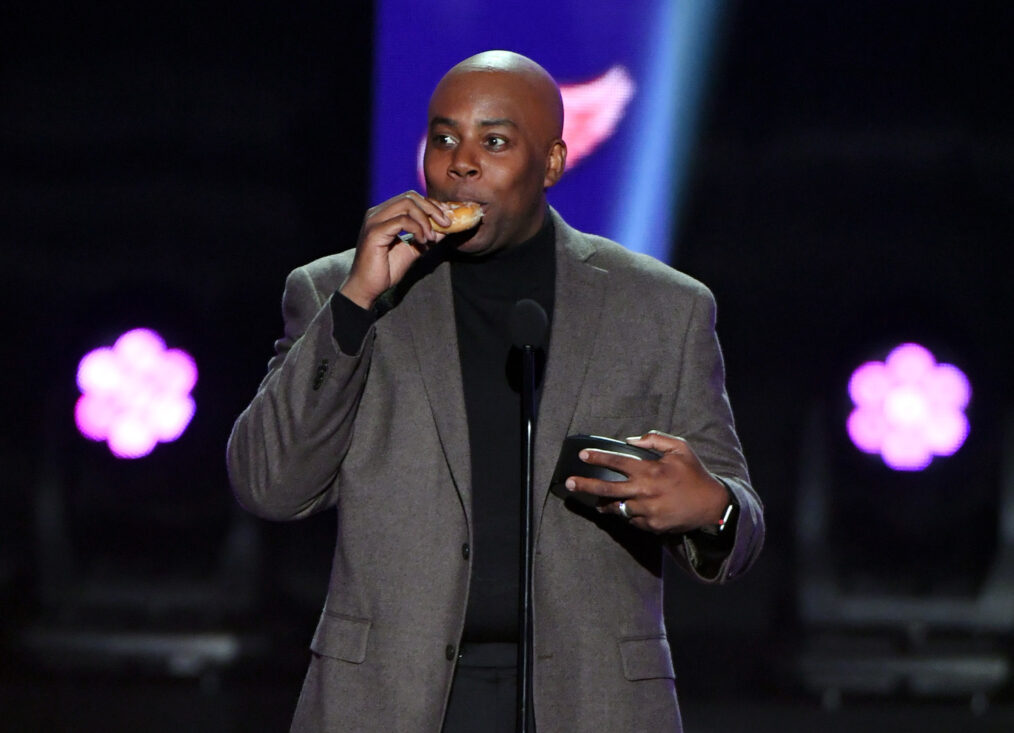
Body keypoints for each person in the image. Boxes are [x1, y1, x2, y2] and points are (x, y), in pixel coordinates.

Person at [227, 50, 764, 732]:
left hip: (593, 704)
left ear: (553, 163)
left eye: (496, 141)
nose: (461, 162)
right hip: (389, 703)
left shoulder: (662, 309)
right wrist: (357, 305)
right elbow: (268, 484)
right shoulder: (340, 291)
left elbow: (740, 528)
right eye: (444, 138)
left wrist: (710, 507)